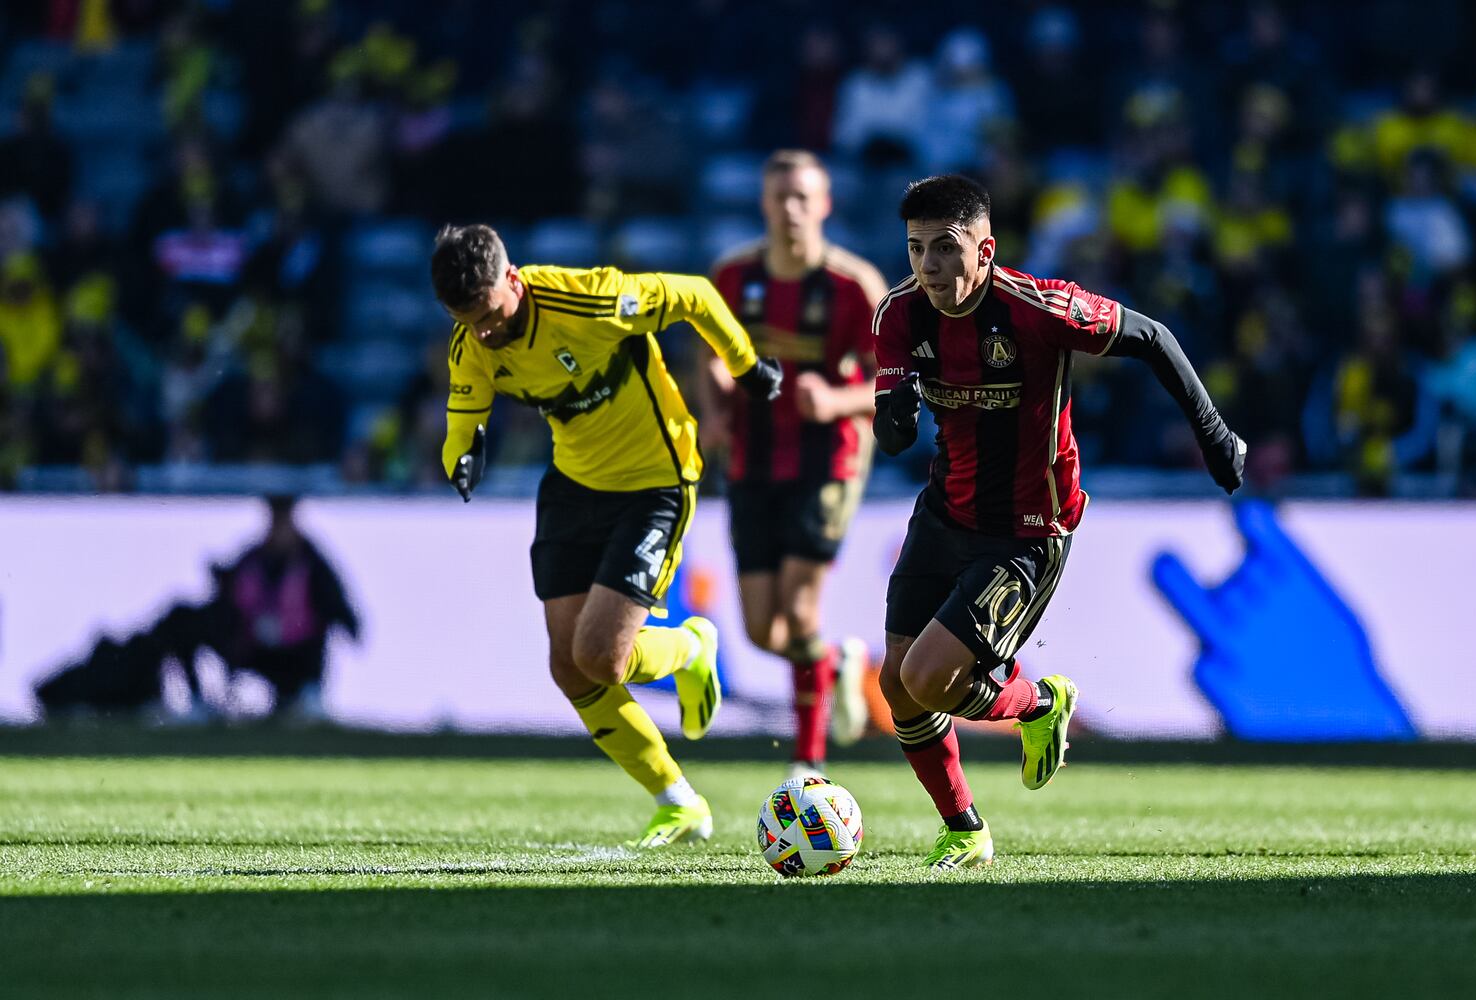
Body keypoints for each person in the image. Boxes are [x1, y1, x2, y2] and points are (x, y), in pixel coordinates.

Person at [872, 176, 1245, 869]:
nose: (929, 266)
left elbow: (1154, 337)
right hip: (944, 512)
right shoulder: (899, 314)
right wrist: (892, 418)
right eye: (917, 249)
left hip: (1027, 529)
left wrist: (1214, 433)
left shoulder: (1040, 308)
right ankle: (965, 829)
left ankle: (1038, 703)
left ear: (985, 250)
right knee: (897, 683)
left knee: (926, 678)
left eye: (946, 248)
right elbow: (891, 434)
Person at [430, 224, 782, 848]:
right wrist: (461, 455)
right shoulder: (472, 343)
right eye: (467, 322)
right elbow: (462, 424)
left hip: (655, 484)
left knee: (601, 658)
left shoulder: (588, 300)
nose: (482, 333)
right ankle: (678, 801)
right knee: (570, 668)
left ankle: (692, 648)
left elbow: (695, 295)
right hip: (573, 486)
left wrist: (744, 364)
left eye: (487, 316)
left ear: (513, 281)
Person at [702, 150, 886, 778]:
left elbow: (895, 382)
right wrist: (715, 410)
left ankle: (807, 763)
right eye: (780, 196)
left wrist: (835, 401)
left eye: (803, 197)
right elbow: (708, 356)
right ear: (763, 203)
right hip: (752, 458)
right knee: (761, 629)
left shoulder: (854, 286)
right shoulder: (733, 277)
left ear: (824, 205)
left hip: (826, 459)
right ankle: (833, 665)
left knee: (801, 611)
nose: (790, 209)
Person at [35, 494, 360, 721]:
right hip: (253, 650)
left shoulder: (313, 563)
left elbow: (343, 613)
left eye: (283, 520)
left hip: (294, 657)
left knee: (321, 627)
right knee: (181, 618)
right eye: (273, 520)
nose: (277, 529)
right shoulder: (253, 558)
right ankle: (197, 701)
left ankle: (307, 694)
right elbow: (226, 591)